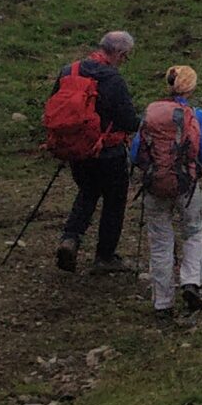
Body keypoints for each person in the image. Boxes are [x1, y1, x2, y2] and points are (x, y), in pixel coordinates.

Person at [129, 64, 202, 316]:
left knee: (160, 242)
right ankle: (191, 283)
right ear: (191, 88)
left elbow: (135, 153)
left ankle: (162, 303)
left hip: (154, 186)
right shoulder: (195, 114)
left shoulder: (151, 114)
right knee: (193, 233)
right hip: (187, 186)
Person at [48, 29, 138, 274]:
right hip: (109, 152)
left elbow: (53, 106)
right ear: (118, 53)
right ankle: (104, 257)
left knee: (87, 192)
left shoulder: (70, 70)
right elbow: (129, 121)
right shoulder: (113, 79)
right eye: (126, 56)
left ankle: (70, 238)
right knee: (114, 201)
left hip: (76, 149)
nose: (125, 61)